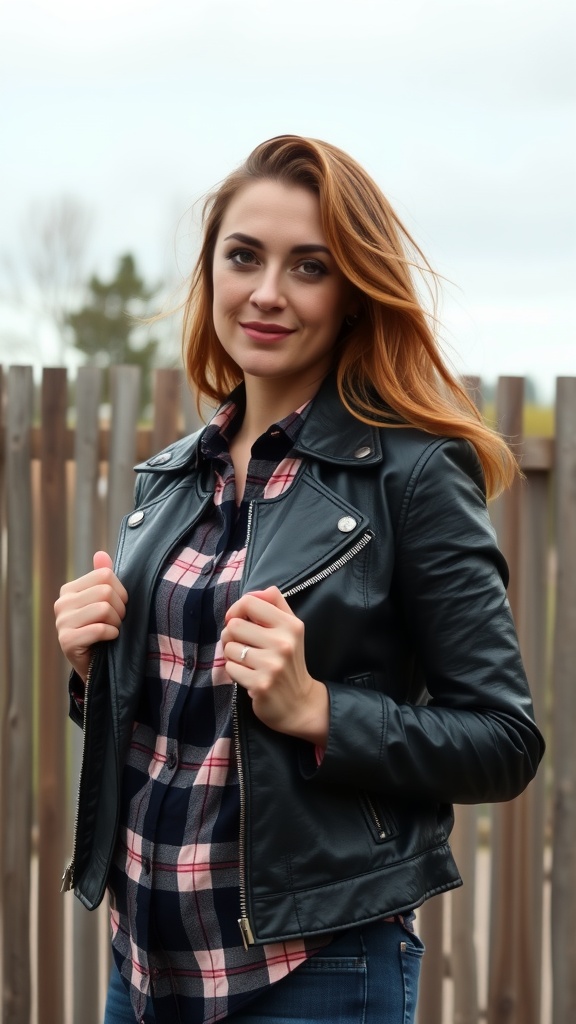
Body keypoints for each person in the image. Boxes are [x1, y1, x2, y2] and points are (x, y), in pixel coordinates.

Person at [55, 135, 544, 1024]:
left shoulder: (413, 475)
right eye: (245, 256)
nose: (268, 292)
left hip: (312, 971)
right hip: (145, 967)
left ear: (352, 294)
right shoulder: (170, 477)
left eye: (308, 267)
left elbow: (504, 739)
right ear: (214, 272)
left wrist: (319, 709)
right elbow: (183, 725)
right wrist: (96, 672)